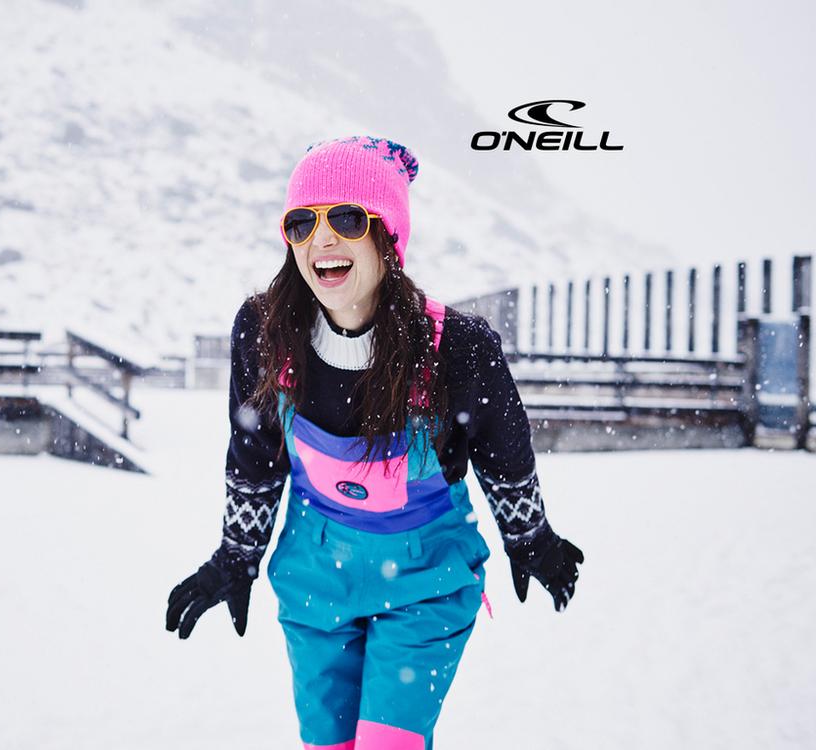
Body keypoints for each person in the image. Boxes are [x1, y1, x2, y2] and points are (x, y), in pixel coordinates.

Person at [166, 135, 584, 750]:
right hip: (316, 576)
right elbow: (256, 456)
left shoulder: (456, 348)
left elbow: (505, 452)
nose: (321, 240)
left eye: (346, 219)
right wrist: (235, 555)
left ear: (387, 235)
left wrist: (530, 537)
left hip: (424, 578)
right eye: (302, 223)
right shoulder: (266, 331)